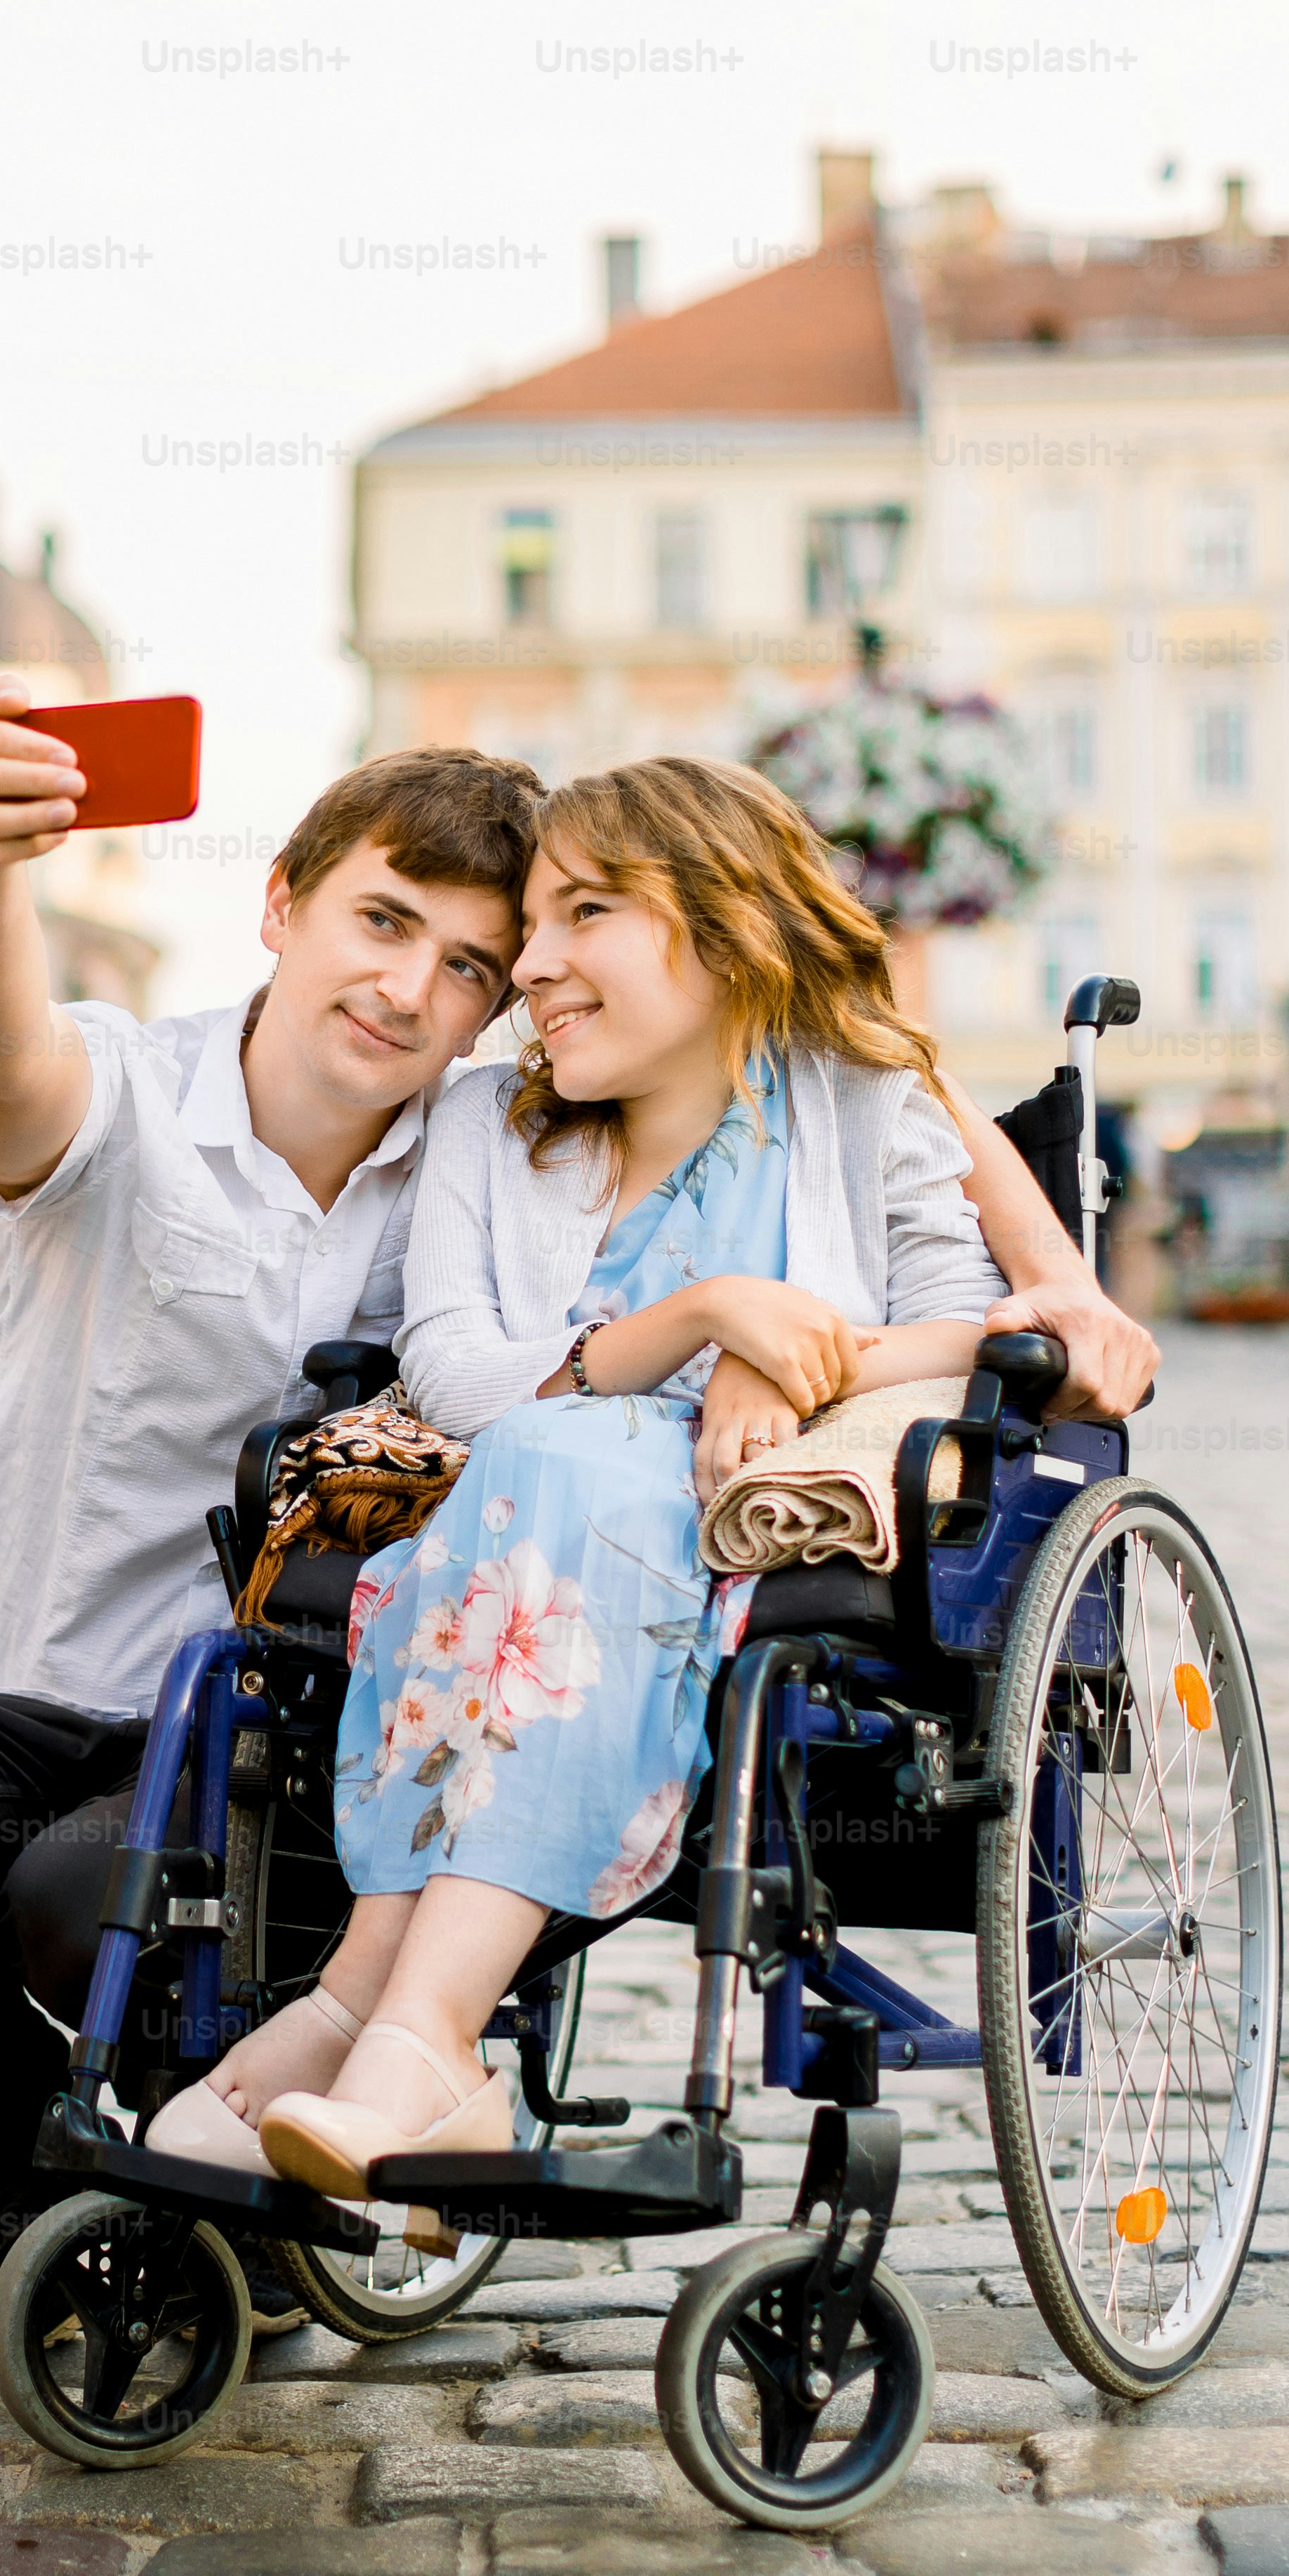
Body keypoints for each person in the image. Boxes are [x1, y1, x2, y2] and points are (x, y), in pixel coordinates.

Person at [0, 693, 1158, 2353]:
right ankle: (20, 2158)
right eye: (384, 923)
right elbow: (2, 1071)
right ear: (281, 903)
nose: (427, 988)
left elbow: (865, 1101)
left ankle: (290, 2108)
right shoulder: (210, 1102)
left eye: (485, 960)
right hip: (56, 1662)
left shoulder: (517, 1113)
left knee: (106, 1885)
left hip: (325, 1695)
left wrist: (1048, 1280)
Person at [121, 756, 996, 2198]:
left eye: (580, 914)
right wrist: (700, 1314)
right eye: (528, 928)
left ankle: (393, 2021)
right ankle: (395, 2026)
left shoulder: (856, 1101)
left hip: (734, 1541)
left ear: (721, 924)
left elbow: (966, 1326)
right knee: (535, 1461)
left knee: (558, 1467)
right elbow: (453, 1365)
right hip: (508, 1529)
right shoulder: (488, 1124)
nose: (529, 967)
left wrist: (792, 1360)